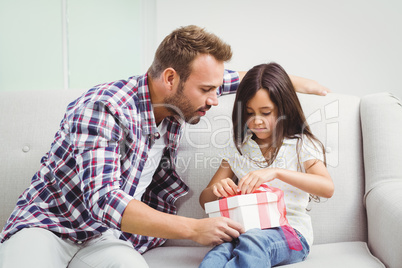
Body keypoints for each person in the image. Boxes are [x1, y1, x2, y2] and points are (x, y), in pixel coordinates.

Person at [0, 25, 329, 267]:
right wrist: (194, 228)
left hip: (107, 238)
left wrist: (297, 83)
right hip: (52, 227)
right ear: (170, 79)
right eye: (206, 90)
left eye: (216, 89)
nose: (215, 100)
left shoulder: (179, 99)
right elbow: (104, 199)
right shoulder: (105, 108)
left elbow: (237, 79)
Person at [199, 62, 334, 268]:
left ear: (284, 109)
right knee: (219, 251)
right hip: (243, 231)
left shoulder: (300, 144)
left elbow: (327, 188)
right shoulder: (239, 148)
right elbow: (204, 200)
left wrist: (276, 172)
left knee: (254, 241)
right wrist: (216, 191)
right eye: (250, 113)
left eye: (266, 112)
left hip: (291, 232)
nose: (256, 121)